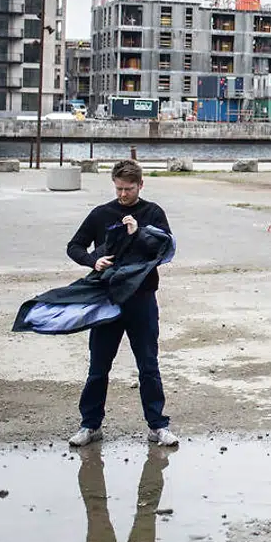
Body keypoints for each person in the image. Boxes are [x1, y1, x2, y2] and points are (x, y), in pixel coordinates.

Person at [65, 159, 178, 448]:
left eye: (128, 189)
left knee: (148, 366)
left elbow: (164, 251)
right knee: (98, 367)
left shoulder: (153, 213)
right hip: (107, 301)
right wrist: (93, 260)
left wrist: (138, 232)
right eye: (118, 189)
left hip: (142, 301)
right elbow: (74, 246)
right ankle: (90, 426)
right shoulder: (102, 213)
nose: (123, 195)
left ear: (141, 184)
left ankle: (157, 427)